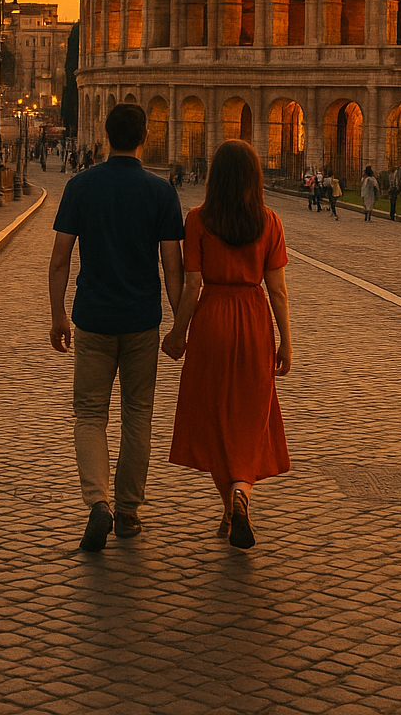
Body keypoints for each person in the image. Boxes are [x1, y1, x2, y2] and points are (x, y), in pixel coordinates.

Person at [49, 103, 184, 552]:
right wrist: (179, 325)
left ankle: (97, 502)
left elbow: (60, 259)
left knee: (89, 414)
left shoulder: (80, 186)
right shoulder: (161, 192)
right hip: (142, 321)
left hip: (93, 318)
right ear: (145, 136)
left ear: (106, 135)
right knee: (138, 415)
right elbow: (171, 269)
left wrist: (57, 315)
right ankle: (127, 510)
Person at [164, 140, 291, 549]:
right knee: (250, 417)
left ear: (214, 177)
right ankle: (241, 494)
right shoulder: (269, 221)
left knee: (216, 415)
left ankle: (229, 503)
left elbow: (193, 284)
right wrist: (286, 341)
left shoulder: (198, 219)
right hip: (254, 320)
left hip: (212, 319)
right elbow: (278, 291)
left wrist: (178, 332)